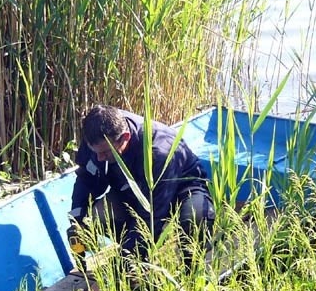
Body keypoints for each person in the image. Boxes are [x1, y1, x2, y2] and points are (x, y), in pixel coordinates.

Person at [67, 104, 214, 268]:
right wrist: (77, 218)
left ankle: (190, 270)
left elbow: (151, 215)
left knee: (194, 221)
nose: (100, 158)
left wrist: (126, 257)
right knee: (96, 218)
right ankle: (139, 253)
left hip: (180, 190)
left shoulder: (158, 151)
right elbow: (87, 178)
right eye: (96, 152)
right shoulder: (96, 136)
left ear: (125, 137)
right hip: (130, 191)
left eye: (106, 153)